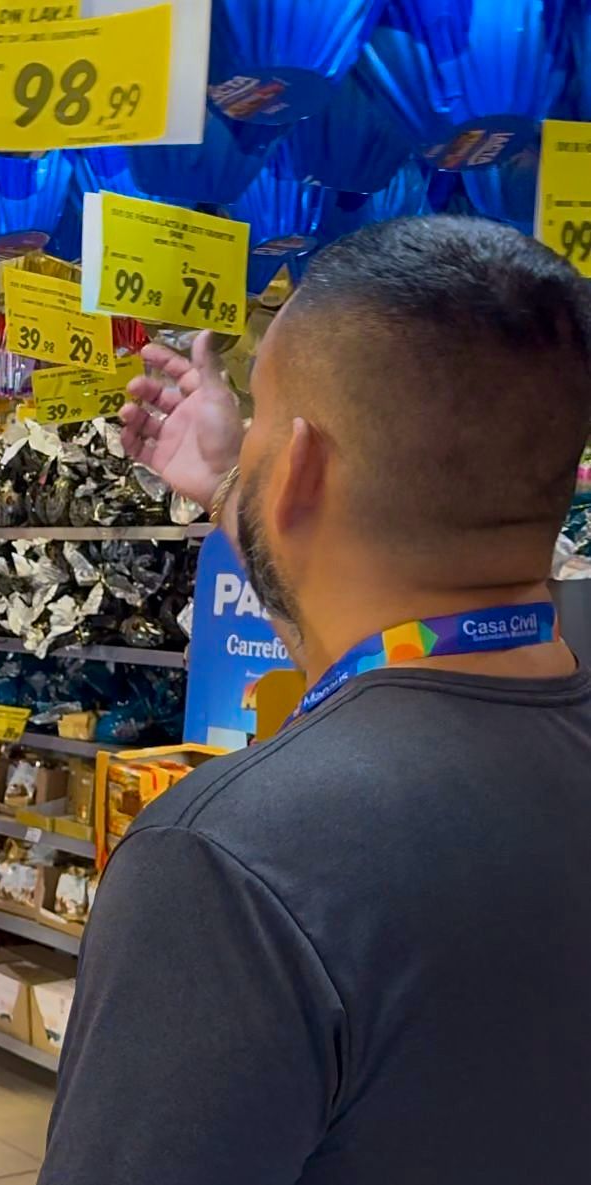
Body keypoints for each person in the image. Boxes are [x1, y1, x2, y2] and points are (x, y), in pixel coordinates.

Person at [39, 216, 591, 1185]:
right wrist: (236, 489)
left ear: (300, 468)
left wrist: (253, 495)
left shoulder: (225, 867)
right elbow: (372, 640)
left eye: (260, 419)